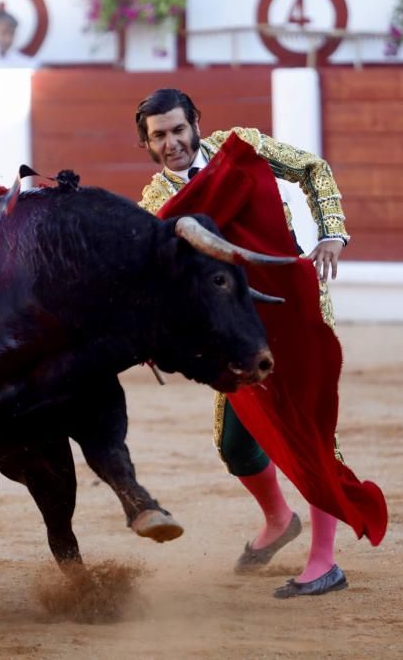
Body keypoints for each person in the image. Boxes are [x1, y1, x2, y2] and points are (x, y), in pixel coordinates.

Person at [137, 88, 354, 598]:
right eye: (159, 136)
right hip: (230, 330)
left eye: (178, 130)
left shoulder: (242, 147)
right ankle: (279, 520)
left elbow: (313, 168)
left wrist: (332, 233)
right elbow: (152, 280)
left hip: (292, 307)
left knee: (310, 430)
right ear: (146, 144)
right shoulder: (152, 205)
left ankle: (325, 560)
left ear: (195, 123)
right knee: (235, 444)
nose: (172, 144)